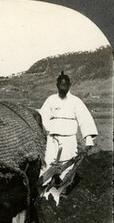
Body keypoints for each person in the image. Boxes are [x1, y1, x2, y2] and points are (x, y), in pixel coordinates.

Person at [38, 71, 98, 199]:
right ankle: (44, 188)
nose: (63, 86)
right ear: (57, 85)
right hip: (53, 136)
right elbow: (42, 117)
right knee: (48, 161)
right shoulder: (51, 100)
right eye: (60, 84)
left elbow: (85, 119)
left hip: (69, 137)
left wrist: (88, 138)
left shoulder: (76, 101)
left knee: (68, 162)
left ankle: (62, 188)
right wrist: (45, 131)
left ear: (69, 85)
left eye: (65, 84)